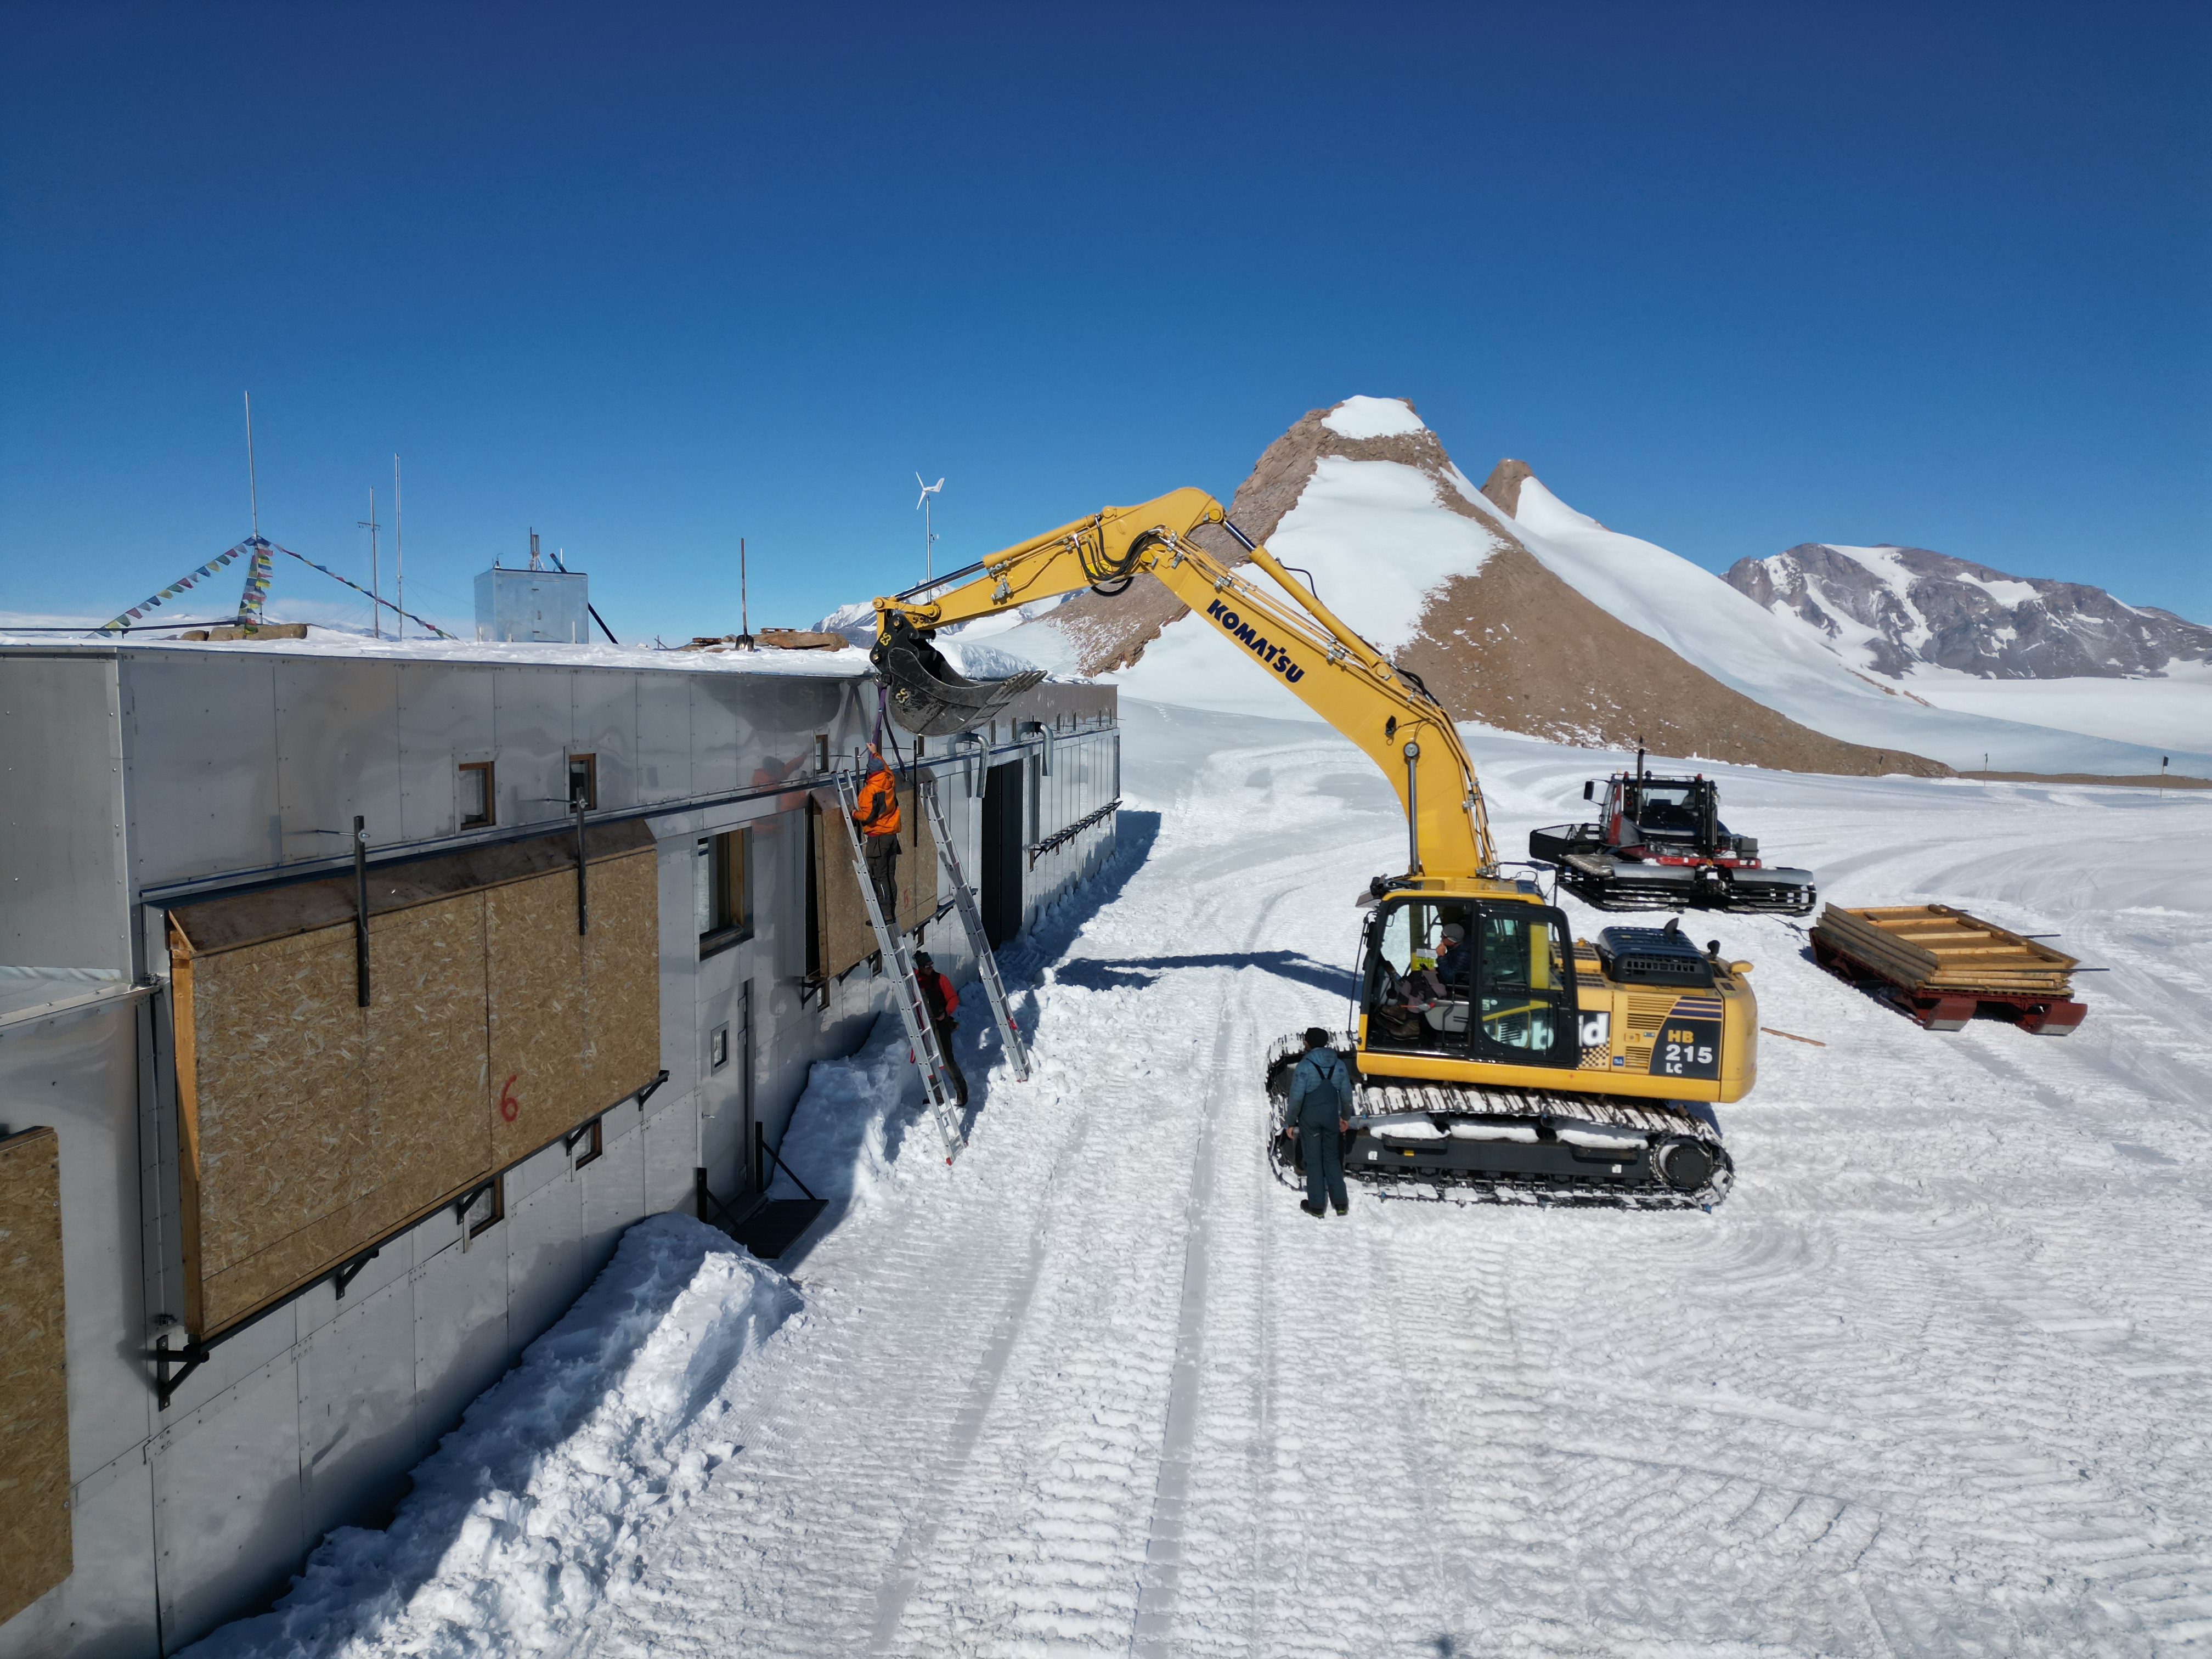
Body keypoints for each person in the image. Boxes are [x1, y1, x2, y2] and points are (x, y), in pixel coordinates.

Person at [1280, 1026, 1351, 1217]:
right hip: (1331, 1118)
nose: (1304, 1043)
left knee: (1314, 1160)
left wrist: (1290, 1122)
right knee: (1331, 1158)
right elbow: (1346, 1094)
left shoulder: (1305, 1066)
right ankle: (1341, 1203)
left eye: (1305, 1040)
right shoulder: (1339, 1064)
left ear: (1310, 1043)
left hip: (1310, 1119)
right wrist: (1345, 1117)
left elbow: (1296, 1097)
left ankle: (1317, 1206)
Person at [913, 950, 967, 1108]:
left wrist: (945, 1014)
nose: (930, 968)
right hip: (924, 1024)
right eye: (927, 966)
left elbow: (953, 998)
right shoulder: (916, 978)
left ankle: (962, 1092)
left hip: (941, 1024)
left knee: (947, 1060)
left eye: (931, 965)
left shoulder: (940, 979)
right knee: (928, 1061)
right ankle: (938, 1096)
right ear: (921, 967)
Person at [853, 747, 902, 921]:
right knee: (889, 876)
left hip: (878, 838)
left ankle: (885, 914)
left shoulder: (870, 790)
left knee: (879, 877)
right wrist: (875, 753)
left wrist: (854, 814)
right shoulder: (889, 780)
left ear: (870, 773)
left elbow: (867, 816)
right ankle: (891, 912)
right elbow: (886, 768)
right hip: (891, 837)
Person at [1436, 921, 1471, 991]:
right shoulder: (1457, 947)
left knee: (1419, 986)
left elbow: (1450, 978)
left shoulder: (1464, 954)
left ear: (1452, 942)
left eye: (1443, 936)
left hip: (1458, 988)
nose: (1441, 937)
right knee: (1416, 976)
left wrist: (1441, 956)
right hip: (1448, 978)